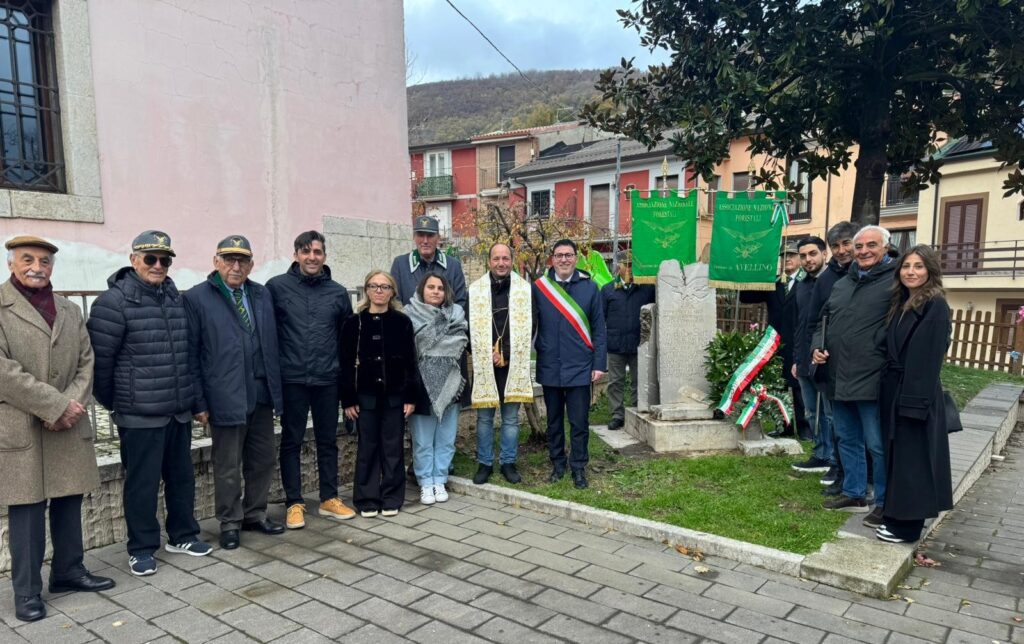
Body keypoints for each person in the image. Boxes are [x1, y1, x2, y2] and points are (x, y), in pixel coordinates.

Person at [0, 236, 114, 622]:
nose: (37, 267)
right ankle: (27, 591)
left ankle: (68, 571)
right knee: (27, 509)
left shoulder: (68, 309)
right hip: (22, 423)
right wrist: (55, 405)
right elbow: (4, 372)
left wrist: (70, 405)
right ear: (11, 263)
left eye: (45, 261)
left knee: (69, 500)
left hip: (68, 421)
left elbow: (86, 361)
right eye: (27, 259)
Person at [87, 231, 211, 577]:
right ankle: (141, 548)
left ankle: (182, 535)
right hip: (139, 415)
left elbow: (188, 356)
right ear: (133, 260)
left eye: (165, 260)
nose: (158, 265)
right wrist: (120, 403)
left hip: (177, 411)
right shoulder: (112, 303)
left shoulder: (175, 298)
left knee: (181, 478)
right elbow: (100, 365)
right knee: (142, 485)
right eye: (150, 258)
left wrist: (193, 401)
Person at [184, 235, 285, 550]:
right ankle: (229, 521)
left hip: (261, 393)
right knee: (228, 464)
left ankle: (255, 513)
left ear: (251, 265)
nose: (236, 266)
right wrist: (199, 401)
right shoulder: (197, 298)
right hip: (224, 394)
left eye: (243, 260)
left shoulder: (261, 294)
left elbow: (272, 343)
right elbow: (191, 353)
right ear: (216, 262)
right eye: (229, 259)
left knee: (263, 459)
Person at [266, 231, 355, 530]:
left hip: (327, 378)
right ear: (296, 255)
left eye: (317, 252)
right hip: (292, 378)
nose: (312, 257)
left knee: (327, 440)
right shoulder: (276, 287)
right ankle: (294, 502)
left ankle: (329, 498)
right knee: (291, 440)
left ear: (324, 256)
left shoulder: (337, 293)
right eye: (306, 251)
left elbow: (346, 340)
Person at [812, 225, 895, 525]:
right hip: (838, 375)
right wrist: (817, 347)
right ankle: (854, 493)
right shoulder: (842, 283)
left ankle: (885, 502)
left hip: (873, 378)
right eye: (859, 246)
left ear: (886, 247)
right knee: (846, 438)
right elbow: (822, 320)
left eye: (871, 245)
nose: (863, 251)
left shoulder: (896, 281)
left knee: (877, 445)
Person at [876, 245, 953, 543]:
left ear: (930, 271)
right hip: (895, 389)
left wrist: (913, 404)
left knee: (914, 461)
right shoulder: (901, 303)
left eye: (918, 266)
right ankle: (895, 517)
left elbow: (927, 358)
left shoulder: (935, 305)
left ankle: (908, 527)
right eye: (906, 266)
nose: (911, 272)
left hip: (915, 393)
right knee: (899, 458)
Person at [340, 271, 420, 517]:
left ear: (392, 292)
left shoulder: (402, 322)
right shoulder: (354, 323)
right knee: (367, 448)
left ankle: (392, 497)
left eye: (384, 287)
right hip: (365, 398)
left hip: (395, 396)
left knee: (393, 448)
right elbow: (345, 364)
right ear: (366, 290)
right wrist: (348, 399)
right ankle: (367, 498)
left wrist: (411, 397)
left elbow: (411, 362)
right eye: (374, 286)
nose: (379, 291)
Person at [533, 239, 607, 489]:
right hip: (550, 365)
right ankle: (557, 464)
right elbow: (529, 324)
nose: (564, 259)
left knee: (579, 422)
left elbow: (599, 329)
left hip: (580, 367)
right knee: (553, 422)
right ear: (552, 259)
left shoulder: (590, 288)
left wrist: (599, 364)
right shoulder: (540, 288)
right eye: (559, 255)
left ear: (576, 258)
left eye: (568, 255)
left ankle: (578, 467)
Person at [469, 243, 534, 485]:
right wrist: (486, 353)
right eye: (496, 258)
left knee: (510, 419)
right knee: (484, 419)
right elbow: (468, 327)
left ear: (512, 261)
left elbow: (532, 325)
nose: (501, 263)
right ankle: (485, 463)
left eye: (505, 258)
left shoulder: (524, 290)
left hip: (513, 365)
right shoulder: (475, 290)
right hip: (484, 365)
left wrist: (505, 353)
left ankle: (508, 462)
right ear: (489, 261)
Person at [805, 221, 859, 492]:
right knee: (836, 420)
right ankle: (838, 467)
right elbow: (815, 320)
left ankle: (861, 477)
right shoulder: (826, 279)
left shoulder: (873, 275)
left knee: (864, 426)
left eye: (847, 243)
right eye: (835, 246)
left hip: (863, 363)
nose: (841, 250)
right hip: (832, 362)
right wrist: (814, 349)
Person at [406, 274, 468, 505]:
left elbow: (462, 344)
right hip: (420, 386)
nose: (435, 291)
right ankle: (425, 482)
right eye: (430, 287)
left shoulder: (457, 315)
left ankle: (440, 479)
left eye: (440, 288)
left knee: (446, 438)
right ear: (421, 290)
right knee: (422, 441)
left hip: (451, 383)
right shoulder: (408, 315)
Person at [740, 241, 808, 439]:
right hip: (777, 343)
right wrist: (751, 271)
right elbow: (747, 297)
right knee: (779, 386)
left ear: (800, 258)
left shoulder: (807, 282)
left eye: (792, 255)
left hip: (799, 341)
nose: (787, 259)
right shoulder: (774, 282)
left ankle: (805, 429)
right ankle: (784, 426)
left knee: (799, 387)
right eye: (783, 256)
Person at [789, 236, 834, 473]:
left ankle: (835, 459)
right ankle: (820, 453)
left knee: (830, 413)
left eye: (813, 254)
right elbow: (799, 325)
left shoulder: (834, 281)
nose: (808, 259)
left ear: (824, 254)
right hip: (805, 359)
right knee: (811, 411)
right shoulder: (802, 285)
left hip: (827, 358)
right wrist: (797, 359)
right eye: (803, 255)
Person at [600, 254, 655, 431]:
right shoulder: (608, 290)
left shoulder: (647, 289)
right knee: (615, 382)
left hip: (639, 344)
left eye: (633, 265)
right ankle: (617, 415)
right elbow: (601, 318)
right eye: (627, 265)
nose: (630, 269)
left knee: (639, 381)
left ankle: (637, 410)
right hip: (615, 344)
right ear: (619, 267)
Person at [390, 215, 467, 311]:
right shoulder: (400, 264)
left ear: (438, 238)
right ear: (414, 237)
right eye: (421, 235)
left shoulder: (453, 266)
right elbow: (394, 300)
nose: (425, 241)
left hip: (446, 320)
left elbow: (460, 302)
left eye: (430, 235)